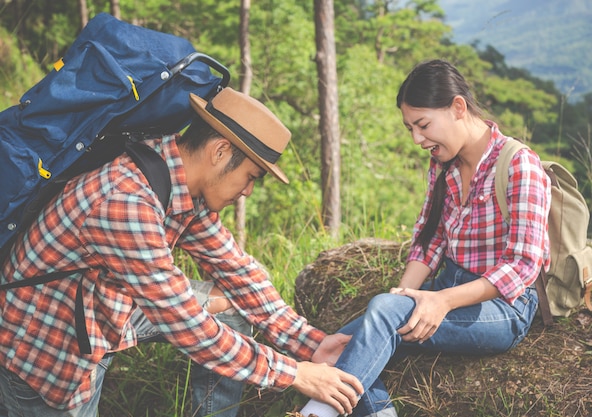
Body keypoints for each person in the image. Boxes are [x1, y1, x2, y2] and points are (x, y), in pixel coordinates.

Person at [0, 87, 363, 417]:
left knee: (232, 306)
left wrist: (311, 343)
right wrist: (294, 373)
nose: (248, 191)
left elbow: (237, 271)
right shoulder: (125, 202)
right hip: (45, 355)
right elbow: (186, 323)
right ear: (220, 151)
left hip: (105, 308)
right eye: (251, 176)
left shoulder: (176, 178)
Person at [294, 59, 551, 417]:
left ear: (458, 107)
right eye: (410, 128)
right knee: (335, 346)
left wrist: (441, 301)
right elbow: (430, 240)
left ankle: (319, 413)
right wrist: (402, 295)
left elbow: (523, 265)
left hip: (503, 307)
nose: (417, 139)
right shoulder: (443, 163)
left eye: (423, 125)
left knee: (380, 319)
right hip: (448, 284)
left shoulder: (519, 165)